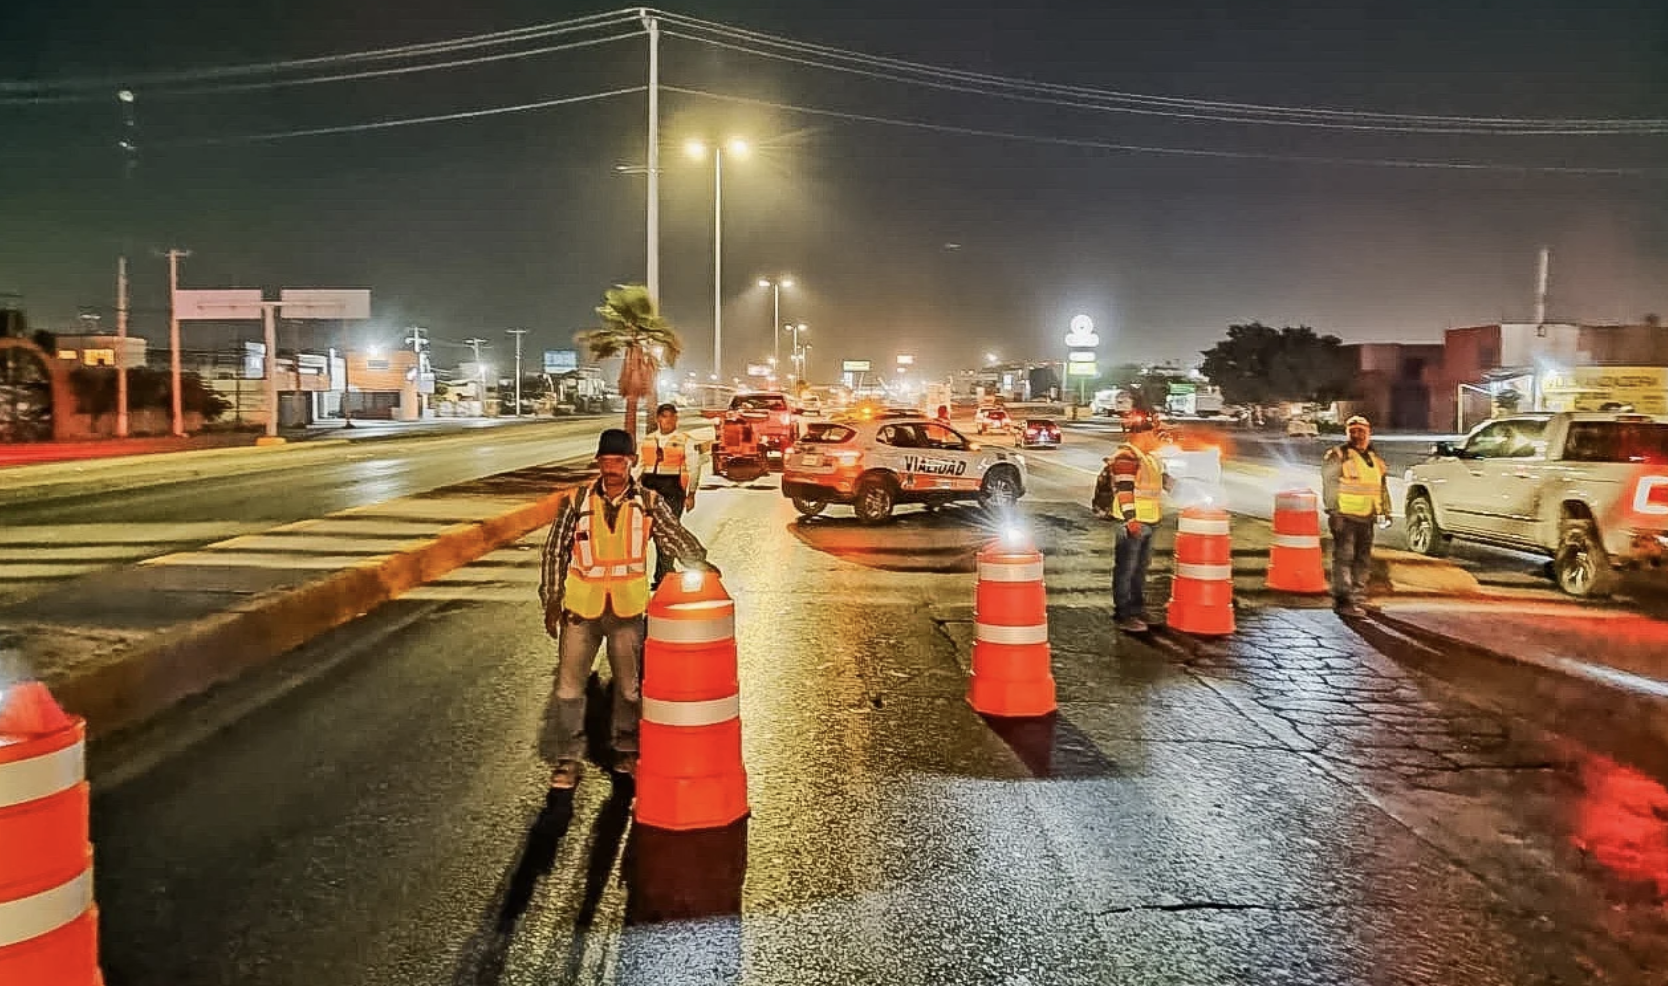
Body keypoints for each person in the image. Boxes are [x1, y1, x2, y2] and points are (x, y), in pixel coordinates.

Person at [537, 428, 718, 790]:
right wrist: (552, 600)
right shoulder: (576, 501)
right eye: (605, 461)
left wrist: (702, 564)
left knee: (629, 689)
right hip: (581, 611)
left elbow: (673, 535)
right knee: (569, 689)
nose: (611, 467)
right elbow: (555, 552)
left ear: (632, 463)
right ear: (598, 462)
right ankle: (568, 758)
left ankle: (626, 750)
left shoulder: (647, 502)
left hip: (626, 610)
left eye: (618, 461)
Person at [1094, 416, 1173, 633]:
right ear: (1141, 434)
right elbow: (1124, 490)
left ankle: (1137, 609)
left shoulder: (1151, 458)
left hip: (1150, 520)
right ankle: (1124, 614)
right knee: (1126, 569)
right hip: (1132, 522)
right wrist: (1131, 519)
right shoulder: (1126, 456)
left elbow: (1165, 484)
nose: (1156, 437)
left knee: (1140, 569)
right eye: (1153, 433)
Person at [1321, 414, 1392, 618]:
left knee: (1362, 560)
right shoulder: (1338, 455)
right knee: (1344, 558)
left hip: (1367, 516)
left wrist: (1385, 511)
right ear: (1347, 434)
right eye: (1352, 431)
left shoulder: (1375, 459)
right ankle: (1343, 601)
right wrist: (1333, 511)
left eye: (1361, 431)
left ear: (1368, 433)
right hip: (1345, 516)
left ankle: (1358, 598)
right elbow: (1329, 485)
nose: (1357, 435)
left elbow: (1381, 488)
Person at [637, 402, 701, 589]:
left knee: (666, 535)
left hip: (672, 491)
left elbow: (694, 467)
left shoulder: (685, 440)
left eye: (673, 417)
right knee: (642, 534)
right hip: (648, 489)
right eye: (665, 416)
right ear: (658, 419)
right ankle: (638, 577)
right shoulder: (648, 440)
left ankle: (663, 576)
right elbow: (640, 466)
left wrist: (691, 493)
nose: (669, 420)